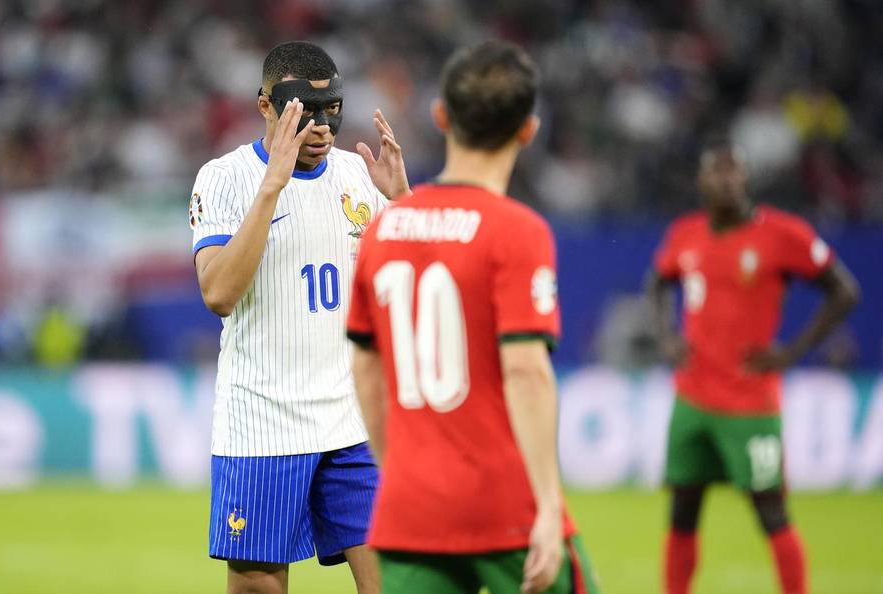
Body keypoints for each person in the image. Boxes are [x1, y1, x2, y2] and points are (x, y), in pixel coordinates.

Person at [346, 40, 601, 594]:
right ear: (528, 129)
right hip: (501, 503)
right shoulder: (518, 230)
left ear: (441, 117)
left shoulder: (384, 229)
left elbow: (365, 370)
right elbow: (527, 371)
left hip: (411, 509)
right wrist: (550, 509)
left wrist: (397, 472)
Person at [190, 41, 410, 594]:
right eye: (303, 112)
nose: (321, 127)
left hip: (350, 424)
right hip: (261, 425)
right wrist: (272, 188)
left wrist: (404, 204)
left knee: (395, 580)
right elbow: (218, 294)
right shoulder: (224, 178)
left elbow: (415, 288)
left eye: (331, 110)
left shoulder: (361, 178)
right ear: (266, 105)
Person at [645, 139, 860, 594]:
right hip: (693, 400)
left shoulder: (783, 235)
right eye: (716, 170)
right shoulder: (685, 233)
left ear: (747, 179)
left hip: (750, 404)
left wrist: (792, 352)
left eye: (734, 170)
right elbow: (659, 283)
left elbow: (844, 290)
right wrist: (667, 335)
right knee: (682, 512)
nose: (726, 178)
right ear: (701, 182)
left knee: (771, 513)